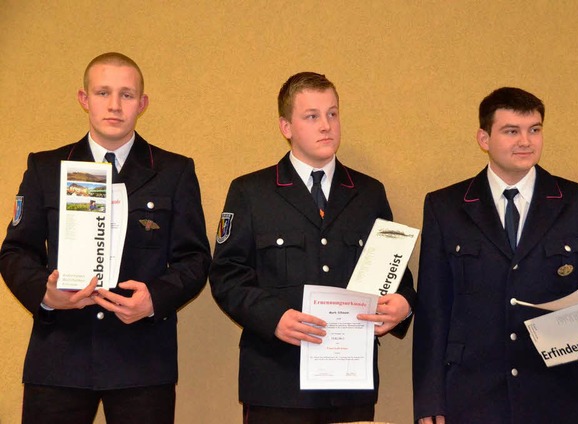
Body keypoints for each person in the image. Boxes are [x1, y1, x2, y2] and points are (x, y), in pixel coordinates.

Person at [0, 52, 211, 423]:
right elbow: (16, 251)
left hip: (142, 360)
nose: (114, 105)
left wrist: (154, 299)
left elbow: (194, 259)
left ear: (142, 104)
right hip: (59, 358)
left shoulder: (174, 172)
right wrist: (44, 295)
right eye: (103, 93)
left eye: (127, 95)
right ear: (84, 99)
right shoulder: (46, 168)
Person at [210, 72, 416, 424]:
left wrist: (404, 304)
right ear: (286, 126)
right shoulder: (251, 192)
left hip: (350, 381)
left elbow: (393, 270)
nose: (326, 126)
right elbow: (227, 276)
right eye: (312, 116)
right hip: (277, 380)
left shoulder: (368, 193)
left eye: (332, 114)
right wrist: (273, 317)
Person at [412, 87, 578, 424]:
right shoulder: (445, 206)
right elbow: (433, 311)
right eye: (512, 131)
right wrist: (428, 400)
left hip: (558, 393)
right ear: (484, 138)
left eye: (534, 130)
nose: (526, 141)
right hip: (472, 393)